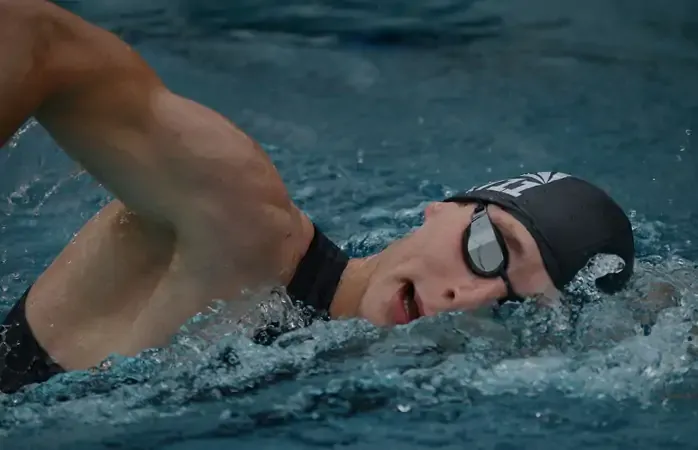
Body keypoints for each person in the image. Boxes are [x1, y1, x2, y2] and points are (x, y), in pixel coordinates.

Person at [0, 0, 635, 394]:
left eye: (513, 307)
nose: (465, 299)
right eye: (489, 250)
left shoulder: (366, 382)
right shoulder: (243, 224)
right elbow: (39, 38)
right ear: (443, 208)